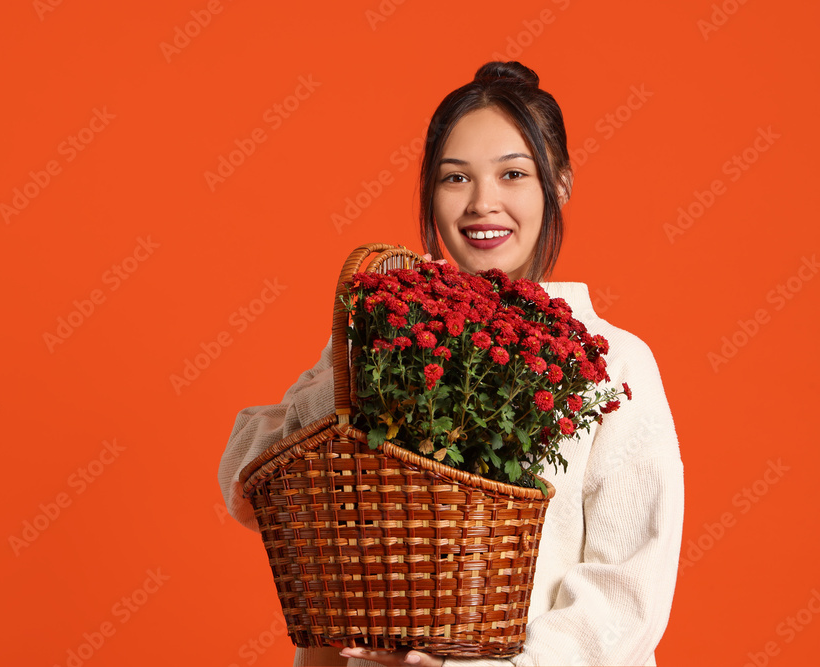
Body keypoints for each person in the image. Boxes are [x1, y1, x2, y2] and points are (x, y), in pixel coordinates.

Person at [218, 61, 684, 667]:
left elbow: (628, 596)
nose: (483, 203)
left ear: (559, 183)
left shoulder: (613, 364)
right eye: (455, 178)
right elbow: (245, 489)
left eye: (513, 174)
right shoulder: (390, 341)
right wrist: (363, 351)